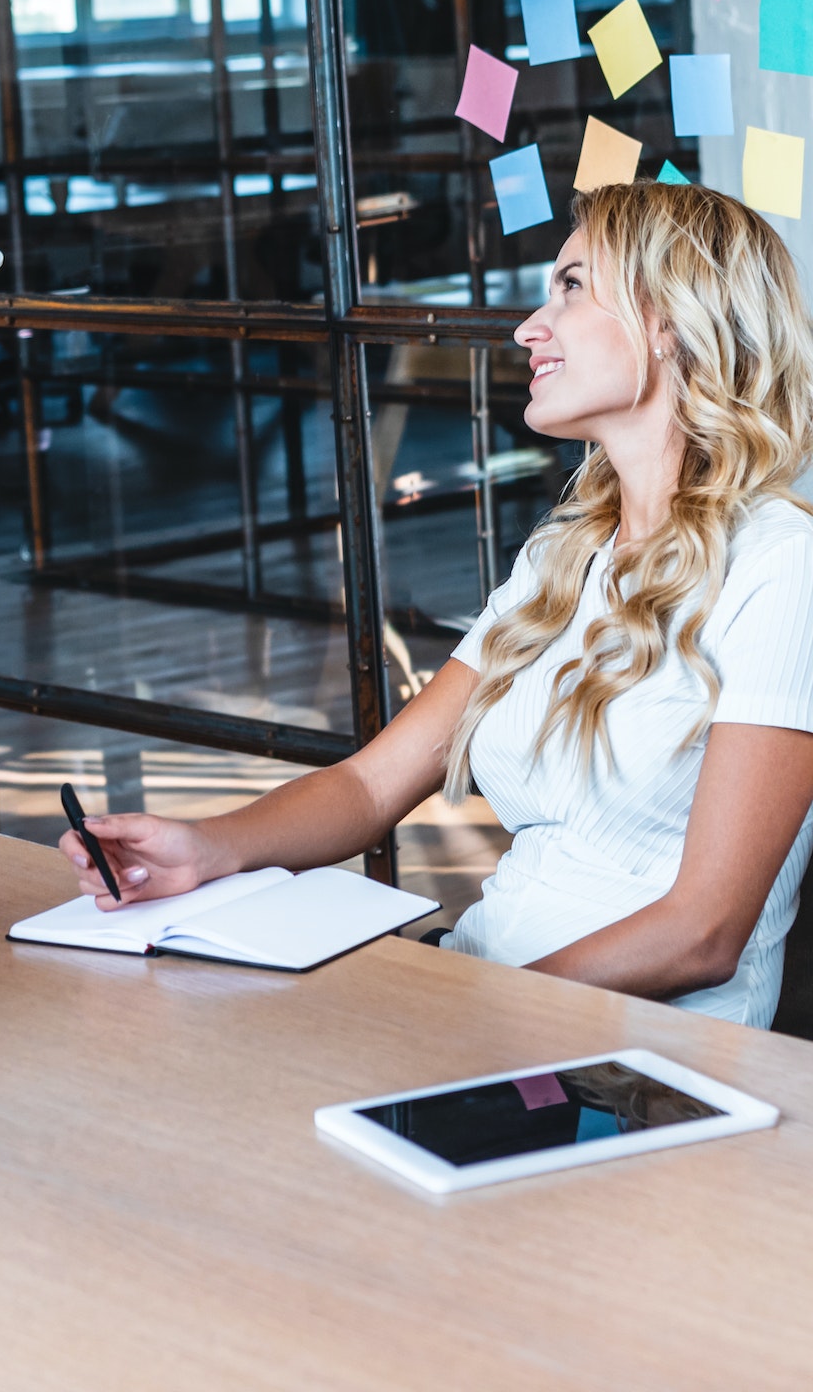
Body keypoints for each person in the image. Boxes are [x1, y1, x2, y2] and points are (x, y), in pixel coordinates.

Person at [64, 181, 813, 1028]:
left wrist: (466, 1015)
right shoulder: (565, 555)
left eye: (570, 288)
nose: (530, 326)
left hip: (635, 1069)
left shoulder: (783, 563)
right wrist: (207, 848)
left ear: (668, 323)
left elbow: (705, 934)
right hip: (488, 1004)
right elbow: (368, 785)